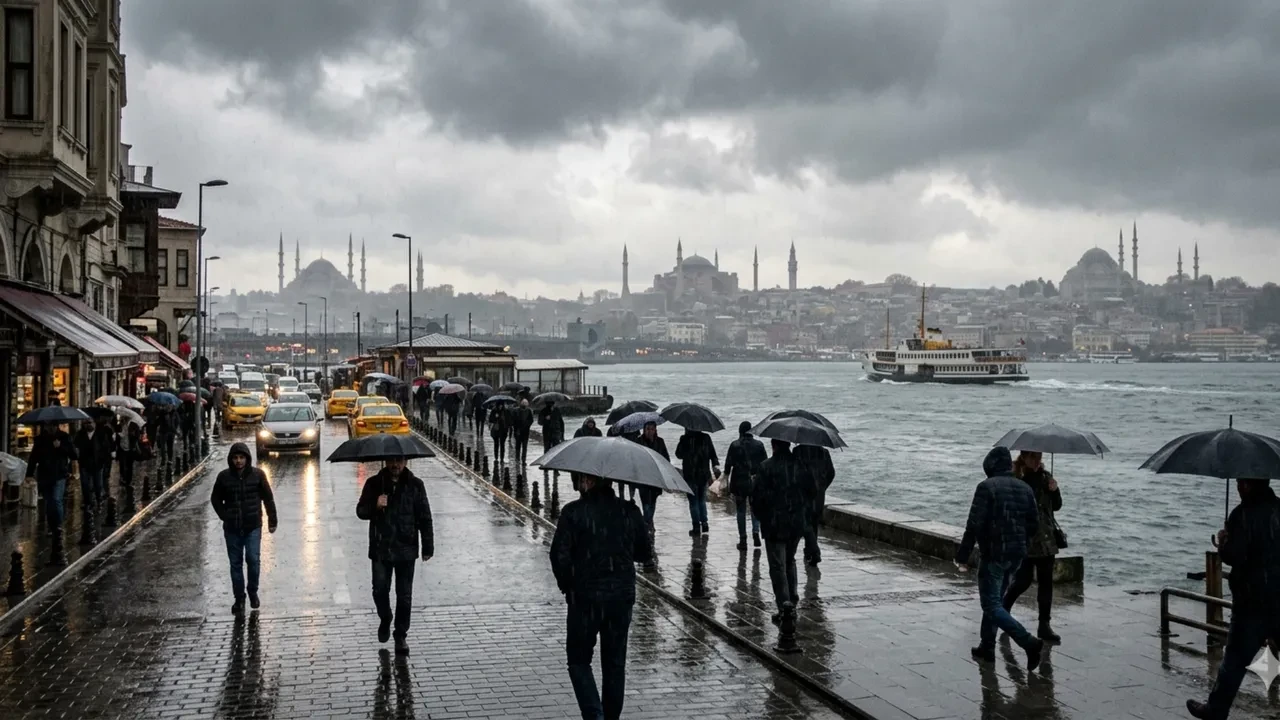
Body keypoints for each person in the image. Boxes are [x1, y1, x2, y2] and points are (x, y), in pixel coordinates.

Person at [550, 473, 652, 720]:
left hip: (585, 598)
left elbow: (558, 556)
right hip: (620, 598)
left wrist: (569, 587)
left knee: (578, 660)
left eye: (580, 479)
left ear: (588, 480)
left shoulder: (573, 512)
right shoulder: (629, 511)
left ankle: (594, 715)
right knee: (615, 664)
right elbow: (644, 552)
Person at [1186, 478, 1280, 720]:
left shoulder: (1241, 515)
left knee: (1235, 660)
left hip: (1251, 602)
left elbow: (1234, 557)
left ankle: (1216, 710)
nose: (1238, 487)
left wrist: (1223, 544)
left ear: (1249, 485)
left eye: (1241, 482)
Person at [955, 446, 1044, 670]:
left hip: (994, 553)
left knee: (991, 603)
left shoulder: (986, 487)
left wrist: (962, 555)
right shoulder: (1024, 487)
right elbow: (1034, 524)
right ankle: (987, 646)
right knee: (995, 600)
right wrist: (1020, 541)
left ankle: (1029, 642)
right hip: (1016, 555)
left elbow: (974, 524)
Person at [356, 455, 434, 655]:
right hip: (381, 548)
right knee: (379, 590)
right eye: (391, 461)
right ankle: (385, 617)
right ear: (385, 462)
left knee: (404, 596)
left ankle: (400, 635)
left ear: (406, 462)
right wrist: (376, 504)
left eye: (399, 461)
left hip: (406, 548)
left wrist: (427, 546)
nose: (395, 465)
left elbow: (425, 516)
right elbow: (361, 511)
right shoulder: (374, 484)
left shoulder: (416, 485)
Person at [1001, 451, 1064, 644]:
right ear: (1024, 458)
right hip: (1025, 537)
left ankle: (1044, 625)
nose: (1037, 461)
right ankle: (1003, 611)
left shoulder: (1046, 477)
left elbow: (1057, 506)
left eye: (1039, 457)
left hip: (1046, 538)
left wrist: (1055, 490)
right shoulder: (1017, 477)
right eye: (1033, 458)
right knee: (1023, 580)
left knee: (1046, 582)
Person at [210, 443, 279, 615]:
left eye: (241, 458)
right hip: (232, 529)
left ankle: (252, 591)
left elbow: (268, 499)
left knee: (253, 560)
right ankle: (239, 598)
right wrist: (225, 516)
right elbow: (215, 499)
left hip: (252, 526)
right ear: (231, 459)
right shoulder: (224, 477)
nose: (238, 461)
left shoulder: (258, 475)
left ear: (247, 459)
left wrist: (272, 520)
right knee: (236, 564)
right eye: (235, 458)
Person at [751, 439, 812, 622]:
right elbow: (811, 491)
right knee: (789, 560)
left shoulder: (766, 467)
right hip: (796, 523)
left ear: (774, 445)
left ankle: (784, 606)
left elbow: (757, 498)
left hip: (774, 524)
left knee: (777, 566)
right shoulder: (800, 466)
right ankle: (792, 599)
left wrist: (763, 517)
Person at [26, 421, 77, 565]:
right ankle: (51, 525)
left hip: (59, 474)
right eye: (47, 426)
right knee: (49, 502)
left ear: (57, 426)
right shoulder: (40, 439)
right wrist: (29, 474)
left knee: (56, 500)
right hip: (44, 475)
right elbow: (33, 457)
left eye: (52, 426)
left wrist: (60, 447)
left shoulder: (64, 438)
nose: (50, 428)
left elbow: (74, 455)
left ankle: (58, 527)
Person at [722, 421, 767, 551]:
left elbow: (728, 464)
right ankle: (756, 532)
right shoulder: (759, 445)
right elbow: (765, 464)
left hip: (739, 481)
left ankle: (743, 540)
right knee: (755, 509)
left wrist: (725, 476)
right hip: (754, 481)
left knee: (741, 511)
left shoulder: (735, 445)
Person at [794, 443, 835, 566]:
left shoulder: (798, 451)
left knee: (804, 524)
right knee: (813, 524)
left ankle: (812, 552)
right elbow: (831, 473)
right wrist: (822, 487)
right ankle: (810, 552)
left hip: (803, 495)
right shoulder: (824, 453)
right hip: (818, 496)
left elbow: (794, 472)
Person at [675, 428, 719, 537]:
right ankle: (704, 523)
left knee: (693, 501)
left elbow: (678, 454)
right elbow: (713, 454)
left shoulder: (685, 439)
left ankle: (696, 526)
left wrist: (684, 442)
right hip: (703, 474)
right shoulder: (706, 438)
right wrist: (714, 466)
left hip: (690, 475)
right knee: (701, 499)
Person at [633, 422, 668, 535]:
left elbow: (666, 458)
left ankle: (648, 521)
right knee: (645, 503)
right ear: (644, 430)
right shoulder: (638, 441)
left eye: (652, 429)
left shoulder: (660, 441)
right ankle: (647, 522)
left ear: (655, 430)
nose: (649, 431)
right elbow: (634, 458)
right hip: (643, 477)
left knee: (652, 502)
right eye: (647, 429)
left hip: (656, 476)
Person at [117, 419, 141, 496]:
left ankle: (128, 480)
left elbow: (137, 436)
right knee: (122, 464)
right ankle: (123, 477)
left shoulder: (134, 425)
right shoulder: (120, 425)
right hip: (122, 448)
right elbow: (117, 435)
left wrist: (133, 435)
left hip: (130, 448)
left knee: (129, 465)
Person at [511, 399, 535, 466]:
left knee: (524, 447)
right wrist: (516, 427)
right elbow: (513, 420)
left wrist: (527, 425)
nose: (524, 405)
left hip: (525, 431)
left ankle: (523, 460)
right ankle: (517, 459)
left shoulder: (529, 411)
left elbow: (531, 420)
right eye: (523, 403)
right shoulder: (516, 411)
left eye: (525, 404)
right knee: (518, 446)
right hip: (518, 431)